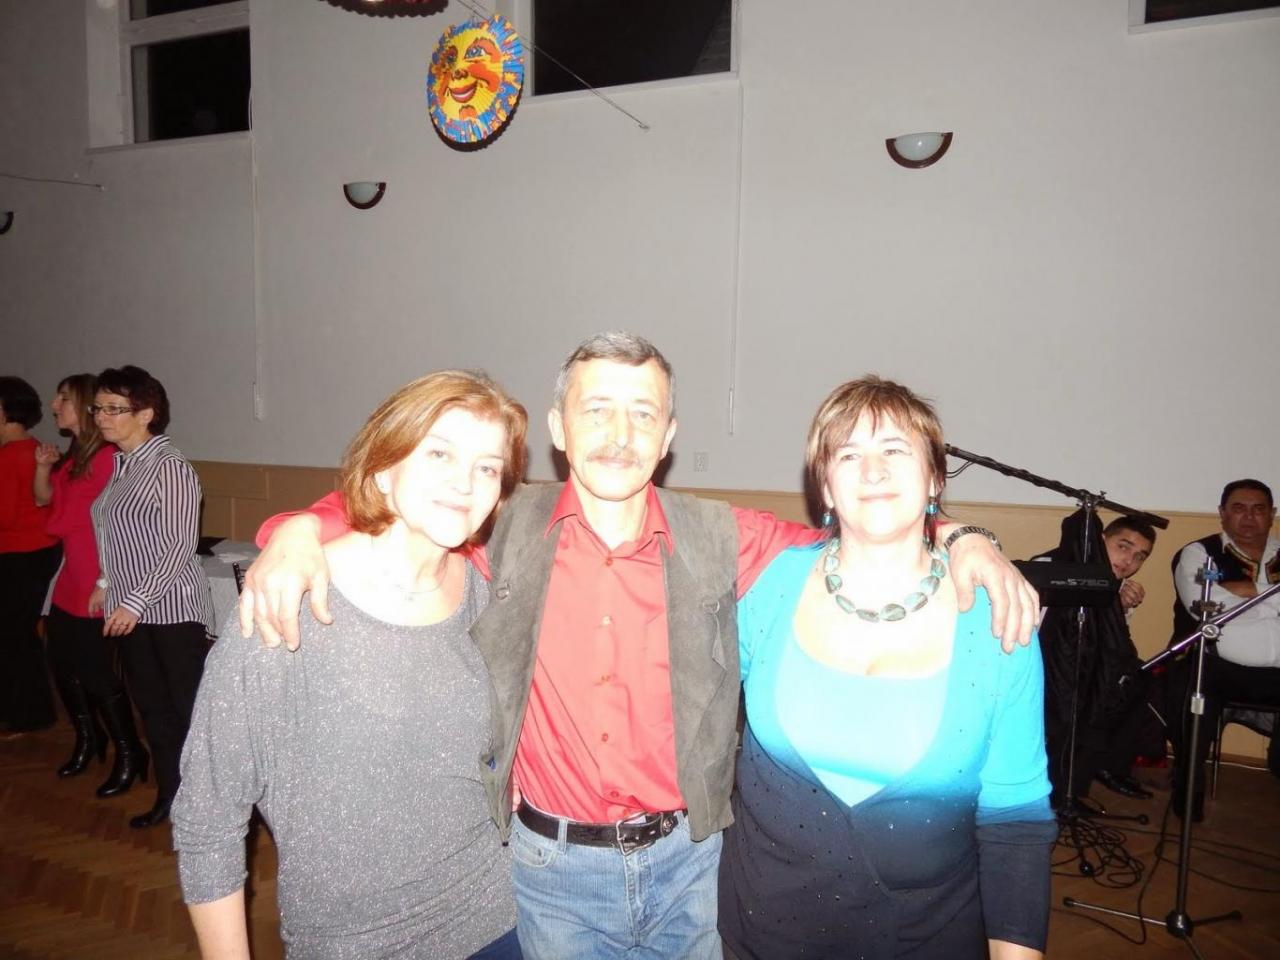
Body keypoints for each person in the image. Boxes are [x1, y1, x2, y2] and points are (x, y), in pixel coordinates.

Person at [242, 333, 1040, 959]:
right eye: (596, 410)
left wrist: (963, 535)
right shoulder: (498, 530)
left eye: (643, 414)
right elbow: (398, 508)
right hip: (550, 872)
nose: (619, 435)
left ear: (669, 437)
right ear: (558, 429)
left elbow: (870, 525)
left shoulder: (726, 539)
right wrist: (296, 532)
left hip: (692, 865)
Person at [173, 371, 527, 960]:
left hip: (497, 920)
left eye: (488, 467)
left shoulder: (485, 597)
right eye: (439, 453)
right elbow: (208, 819)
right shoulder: (286, 605)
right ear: (384, 470)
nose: (465, 482)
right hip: (350, 943)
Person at [718, 376, 1055, 960]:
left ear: (935, 478)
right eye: (848, 455)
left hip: (929, 938)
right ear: (825, 487)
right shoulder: (769, 586)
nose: (872, 471)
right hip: (760, 933)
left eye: (895, 450)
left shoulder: (1000, 617)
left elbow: (1016, 819)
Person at [90, 365, 212, 828]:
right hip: (132, 610)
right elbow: (118, 539)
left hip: (172, 611)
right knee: (155, 711)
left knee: (189, 711)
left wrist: (134, 602)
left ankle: (211, 804)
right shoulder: (121, 464)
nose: (102, 417)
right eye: (98, 408)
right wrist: (105, 584)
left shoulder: (169, 467)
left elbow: (179, 545)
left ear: (146, 414)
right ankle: (171, 795)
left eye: (114, 408)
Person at [34, 373, 148, 794]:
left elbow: (120, 526)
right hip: (71, 574)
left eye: (62, 398)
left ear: (81, 404)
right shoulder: (76, 455)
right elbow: (45, 502)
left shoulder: (106, 458)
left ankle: (130, 751)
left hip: (96, 577)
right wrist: (43, 468)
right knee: (62, 664)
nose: (53, 406)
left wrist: (108, 580)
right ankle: (89, 739)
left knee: (96, 671)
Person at [1168, 478, 1280, 821]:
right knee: (1191, 690)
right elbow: (1204, 607)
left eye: (1258, 509)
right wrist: (1273, 602)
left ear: (1272, 514)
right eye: (1239, 508)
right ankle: (1189, 797)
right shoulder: (1199, 552)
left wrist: (1245, 591)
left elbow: (1226, 604)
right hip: (1218, 667)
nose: (1249, 517)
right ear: (1222, 513)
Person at [1034, 513, 1157, 804]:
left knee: (1136, 680)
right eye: (1123, 547)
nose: (1129, 561)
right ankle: (1059, 787)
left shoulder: (1117, 585)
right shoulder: (1050, 565)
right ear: (1100, 541)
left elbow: (1109, 645)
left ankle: (1098, 772)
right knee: (1088, 694)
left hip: (1082, 670)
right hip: (1037, 664)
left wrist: (1121, 608)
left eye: (1140, 557)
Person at [0, 376, 61, 737]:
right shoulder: (29, 448)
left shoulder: (12, 454)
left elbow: (6, 517)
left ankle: (30, 715)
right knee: (15, 633)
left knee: (15, 635)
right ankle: (21, 709)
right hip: (32, 551)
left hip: (21, 554)